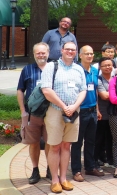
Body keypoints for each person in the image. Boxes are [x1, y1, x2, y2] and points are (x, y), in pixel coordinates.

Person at [41, 41, 86, 193]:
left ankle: (63, 178)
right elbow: (46, 90)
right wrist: (63, 106)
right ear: (61, 50)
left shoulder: (79, 69)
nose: (70, 52)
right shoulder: (50, 67)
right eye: (67, 49)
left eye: (73, 50)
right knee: (55, 146)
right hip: (55, 110)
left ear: (76, 52)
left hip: (73, 112)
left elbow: (83, 90)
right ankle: (54, 180)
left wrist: (73, 107)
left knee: (67, 146)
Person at [17, 42, 52, 184]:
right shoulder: (27, 70)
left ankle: (50, 168)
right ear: (34, 54)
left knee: (51, 142)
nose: (41, 55)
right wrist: (23, 111)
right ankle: (35, 169)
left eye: (43, 52)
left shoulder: (54, 69)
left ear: (48, 53)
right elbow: (20, 90)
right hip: (33, 114)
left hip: (51, 113)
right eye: (38, 53)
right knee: (34, 142)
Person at [71, 46, 104, 182]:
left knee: (91, 141)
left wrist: (97, 109)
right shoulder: (76, 71)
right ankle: (76, 170)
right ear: (80, 55)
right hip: (80, 111)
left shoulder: (95, 71)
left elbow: (95, 90)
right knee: (77, 143)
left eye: (91, 54)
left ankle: (90, 167)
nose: (90, 56)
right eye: (87, 54)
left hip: (92, 111)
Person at [95, 58, 114, 170]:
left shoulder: (116, 79)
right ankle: (95, 160)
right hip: (101, 113)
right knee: (99, 138)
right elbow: (104, 96)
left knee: (110, 138)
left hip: (114, 113)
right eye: (104, 65)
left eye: (109, 65)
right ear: (100, 68)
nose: (107, 67)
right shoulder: (98, 80)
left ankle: (109, 159)